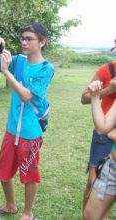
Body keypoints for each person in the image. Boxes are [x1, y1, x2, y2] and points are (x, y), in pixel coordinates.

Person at [0, 22, 54, 220]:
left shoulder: (46, 69)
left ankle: (28, 213)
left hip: (30, 132)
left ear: (42, 42)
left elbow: (25, 95)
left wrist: (6, 71)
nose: (24, 42)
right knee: (3, 172)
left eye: (29, 39)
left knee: (29, 174)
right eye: (23, 38)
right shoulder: (18, 61)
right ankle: (10, 205)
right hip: (11, 128)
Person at [81, 58, 116, 216]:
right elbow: (84, 98)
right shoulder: (107, 69)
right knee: (92, 183)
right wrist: (107, 90)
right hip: (104, 135)